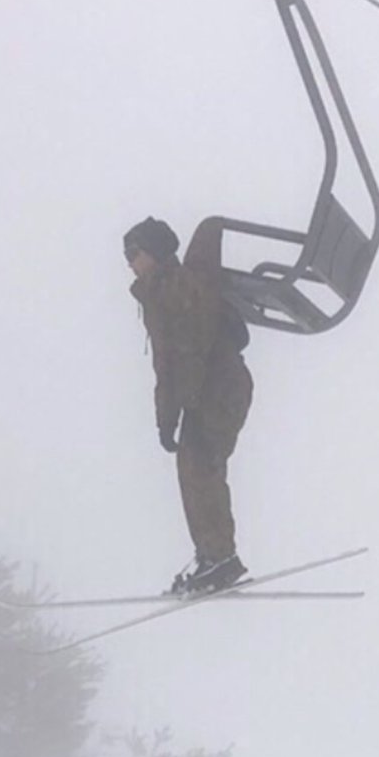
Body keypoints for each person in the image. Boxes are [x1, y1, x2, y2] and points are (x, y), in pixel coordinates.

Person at [124, 214, 253, 594]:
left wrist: (212, 224)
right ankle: (214, 556)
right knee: (193, 468)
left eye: (135, 252)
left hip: (222, 387)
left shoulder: (186, 281)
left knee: (201, 467)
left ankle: (220, 559)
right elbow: (165, 364)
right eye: (127, 255)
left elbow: (210, 232)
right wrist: (166, 420)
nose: (130, 262)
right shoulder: (153, 299)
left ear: (156, 253)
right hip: (204, 393)